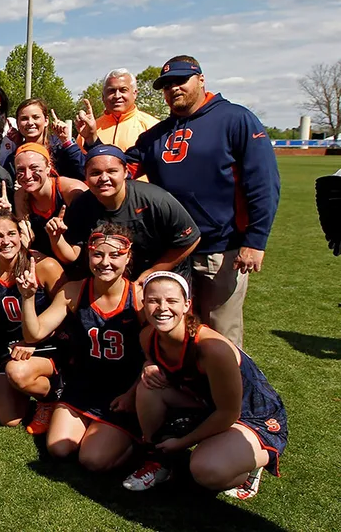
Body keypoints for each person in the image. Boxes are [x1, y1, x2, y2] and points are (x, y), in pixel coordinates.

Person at [128, 55, 281, 350]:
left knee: (220, 336)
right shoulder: (158, 134)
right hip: (174, 250)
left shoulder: (234, 118)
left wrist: (256, 240)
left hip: (219, 250)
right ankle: (184, 394)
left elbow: (264, 183)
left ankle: (230, 395)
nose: (174, 89)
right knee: (173, 331)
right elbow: (119, 168)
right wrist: (89, 144)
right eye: (167, 84)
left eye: (181, 81)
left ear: (200, 79)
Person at [122, 272, 286, 500]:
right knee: (148, 386)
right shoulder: (148, 336)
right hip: (207, 403)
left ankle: (247, 471)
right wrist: (149, 365)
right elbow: (158, 364)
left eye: (171, 301)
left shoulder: (212, 348)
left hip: (250, 415)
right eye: (153, 300)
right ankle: (158, 460)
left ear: (187, 304)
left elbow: (229, 412)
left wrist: (182, 443)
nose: (162, 308)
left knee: (207, 470)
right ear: (144, 303)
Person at [19, 225, 145, 470]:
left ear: (128, 257)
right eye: (98, 254)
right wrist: (27, 298)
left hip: (122, 392)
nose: (105, 262)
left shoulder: (138, 296)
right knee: (59, 448)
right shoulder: (75, 290)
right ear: (88, 254)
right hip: (84, 387)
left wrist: (132, 394)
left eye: (115, 255)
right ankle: (95, 428)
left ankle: (140, 445)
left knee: (92, 460)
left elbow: (154, 357)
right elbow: (34, 334)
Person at [0, 210, 68, 431]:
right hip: (10, 348)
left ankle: (51, 398)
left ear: (21, 235)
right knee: (9, 419)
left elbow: (67, 310)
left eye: (11, 233)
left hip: (48, 344)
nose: (6, 241)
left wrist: (33, 343)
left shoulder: (44, 266)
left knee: (18, 373)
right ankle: (17, 385)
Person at [46, 145, 200, 282]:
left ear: (126, 172)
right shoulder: (81, 206)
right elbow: (72, 256)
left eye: (112, 171)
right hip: (114, 279)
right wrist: (56, 238)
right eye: (95, 173)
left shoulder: (155, 200)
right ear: (85, 175)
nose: (104, 178)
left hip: (162, 275)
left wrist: (154, 272)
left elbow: (190, 239)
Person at [12, 143, 88, 259]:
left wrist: (55, 237)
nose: (27, 176)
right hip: (44, 260)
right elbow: (26, 238)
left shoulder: (71, 192)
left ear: (48, 168)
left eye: (34, 168)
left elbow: (72, 257)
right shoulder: (20, 196)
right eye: (21, 170)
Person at [75, 69, 159, 152]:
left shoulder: (153, 127)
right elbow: (78, 163)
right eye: (112, 91)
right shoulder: (89, 130)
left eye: (123, 90)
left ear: (135, 94)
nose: (117, 96)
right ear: (103, 96)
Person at [6, 98, 85, 180]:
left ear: (46, 120)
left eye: (36, 117)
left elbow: (84, 173)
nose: (30, 123)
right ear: (18, 124)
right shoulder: (14, 158)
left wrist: (67, 141)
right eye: (24, 119)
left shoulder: (59, 148)